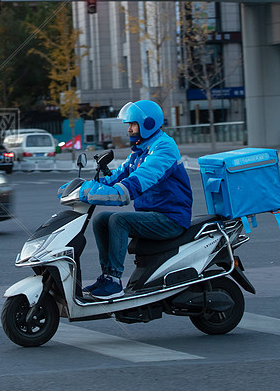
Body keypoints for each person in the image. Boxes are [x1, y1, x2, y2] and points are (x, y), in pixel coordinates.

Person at [76, 100, 193, 299]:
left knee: (118, 220)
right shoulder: (141, 148)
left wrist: (107, 192)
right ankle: (106, 276)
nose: (128, 129)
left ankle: (114, 281)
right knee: (100, 219)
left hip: (171, 218)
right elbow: (121, 174)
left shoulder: (163, 148)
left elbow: (140, 179)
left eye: (132, 124)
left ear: (147, 123)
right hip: (152, 214)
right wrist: (88, 185)